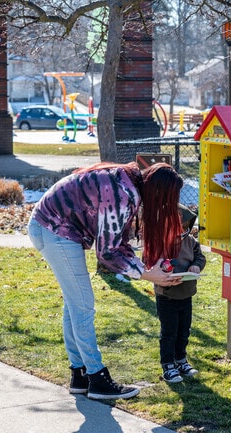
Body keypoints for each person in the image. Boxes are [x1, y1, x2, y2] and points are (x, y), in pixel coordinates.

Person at [27, 161, 184, 400]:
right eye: (166, 200)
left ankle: (79, 375)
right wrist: (146, 274)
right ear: (157, 192)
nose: (164, 206)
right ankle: (98, 379)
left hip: (48, 227)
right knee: (83, 307)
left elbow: (117, 240)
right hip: (54, 229)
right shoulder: (124, 194)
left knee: (75, 305)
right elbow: (108, 251)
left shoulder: (126, 181)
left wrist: (145, 268)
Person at [153, 205, 206, 383]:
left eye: (184, 226)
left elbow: (200, 257)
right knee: (169, 332)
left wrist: (196, 266)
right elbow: (153, 264)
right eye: (177, 227)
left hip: (186, 294)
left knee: (184, 330)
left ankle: (181, 360)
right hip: (167, 295)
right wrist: (166, 269)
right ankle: (168, 364)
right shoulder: (160, 243)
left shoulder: (191, 241)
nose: (181, 230)